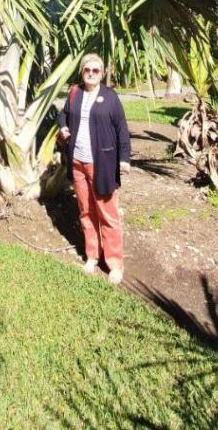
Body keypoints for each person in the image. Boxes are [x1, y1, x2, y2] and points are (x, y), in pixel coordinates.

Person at [58, 53, 131, 284]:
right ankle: (92, 255)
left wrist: (124, 158)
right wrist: (63, 128)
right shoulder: (75, 93)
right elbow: (63, 115)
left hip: (102, 164)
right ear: (82, 72)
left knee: (107, 214)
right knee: (86, 212)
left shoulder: (110, 97)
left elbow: (122, 129)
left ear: (102, 73)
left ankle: (115, 264)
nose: (90, 73)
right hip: (78, 162)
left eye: (95, 70)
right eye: (87, 70)